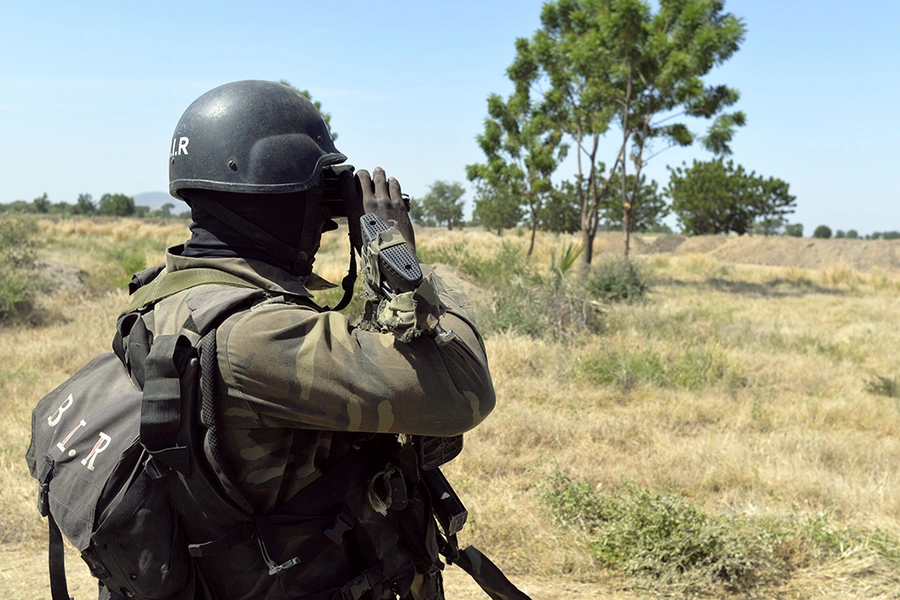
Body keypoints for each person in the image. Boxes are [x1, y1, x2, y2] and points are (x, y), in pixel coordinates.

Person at [100, 80, 496, 599]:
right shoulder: (257, 336)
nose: (327, 225)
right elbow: (458, 390)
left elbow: (347, 340)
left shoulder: (169, 296)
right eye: (316, 199)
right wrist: (405, 265)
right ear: (271, 198)